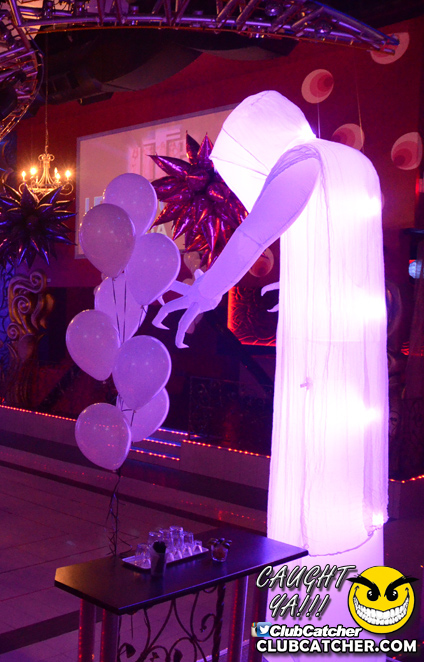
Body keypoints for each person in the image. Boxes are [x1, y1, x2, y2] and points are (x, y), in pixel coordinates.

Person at [155, 91, 387, 640]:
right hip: (353, 348)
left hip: (320, 365)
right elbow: (351, 248)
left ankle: (309, 623)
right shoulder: (355, 164)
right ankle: (354, 624)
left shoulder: (300, 160)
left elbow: (254, 233)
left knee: (312, 480)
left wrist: (205, 291)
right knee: (343, 481)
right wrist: (307, 285)